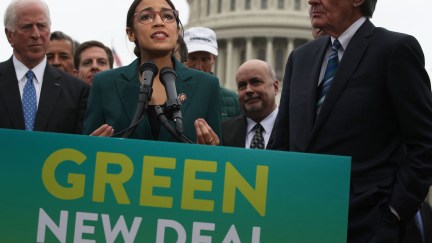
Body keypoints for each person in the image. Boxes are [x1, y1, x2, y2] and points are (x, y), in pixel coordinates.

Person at [270, 0, 432, 242]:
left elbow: (425, 142)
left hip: (367, 225)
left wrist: (394, 212)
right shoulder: (300, 58)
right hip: (302, 223)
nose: (311, 1)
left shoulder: (394, 50)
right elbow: (280, 145)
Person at [84, 0, 221, 145]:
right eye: (146, 17)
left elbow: (219, 155)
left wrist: (213, 149)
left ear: (177, 31)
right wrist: (91, 147)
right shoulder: (105, 83)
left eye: (168, 16)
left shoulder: (207, 85)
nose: (159, 22)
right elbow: (85, 150)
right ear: (131, 33)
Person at [0, 0, 89, 134]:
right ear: (9, 35)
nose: (36, 34)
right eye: (27, 27)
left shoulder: (77, 92)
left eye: (42, 26)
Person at [184, 26, 241, 122]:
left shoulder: (234, 101)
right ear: (182, 57)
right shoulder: (169, 96)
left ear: (213, 60)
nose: (198, 66)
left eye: (205, 59)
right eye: (192, 58)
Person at [222, 59, 278, 149]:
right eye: (242, 85)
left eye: (256, 82)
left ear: (275, 87)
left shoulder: (296, 130)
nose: (248, 90)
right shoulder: (223, 132)